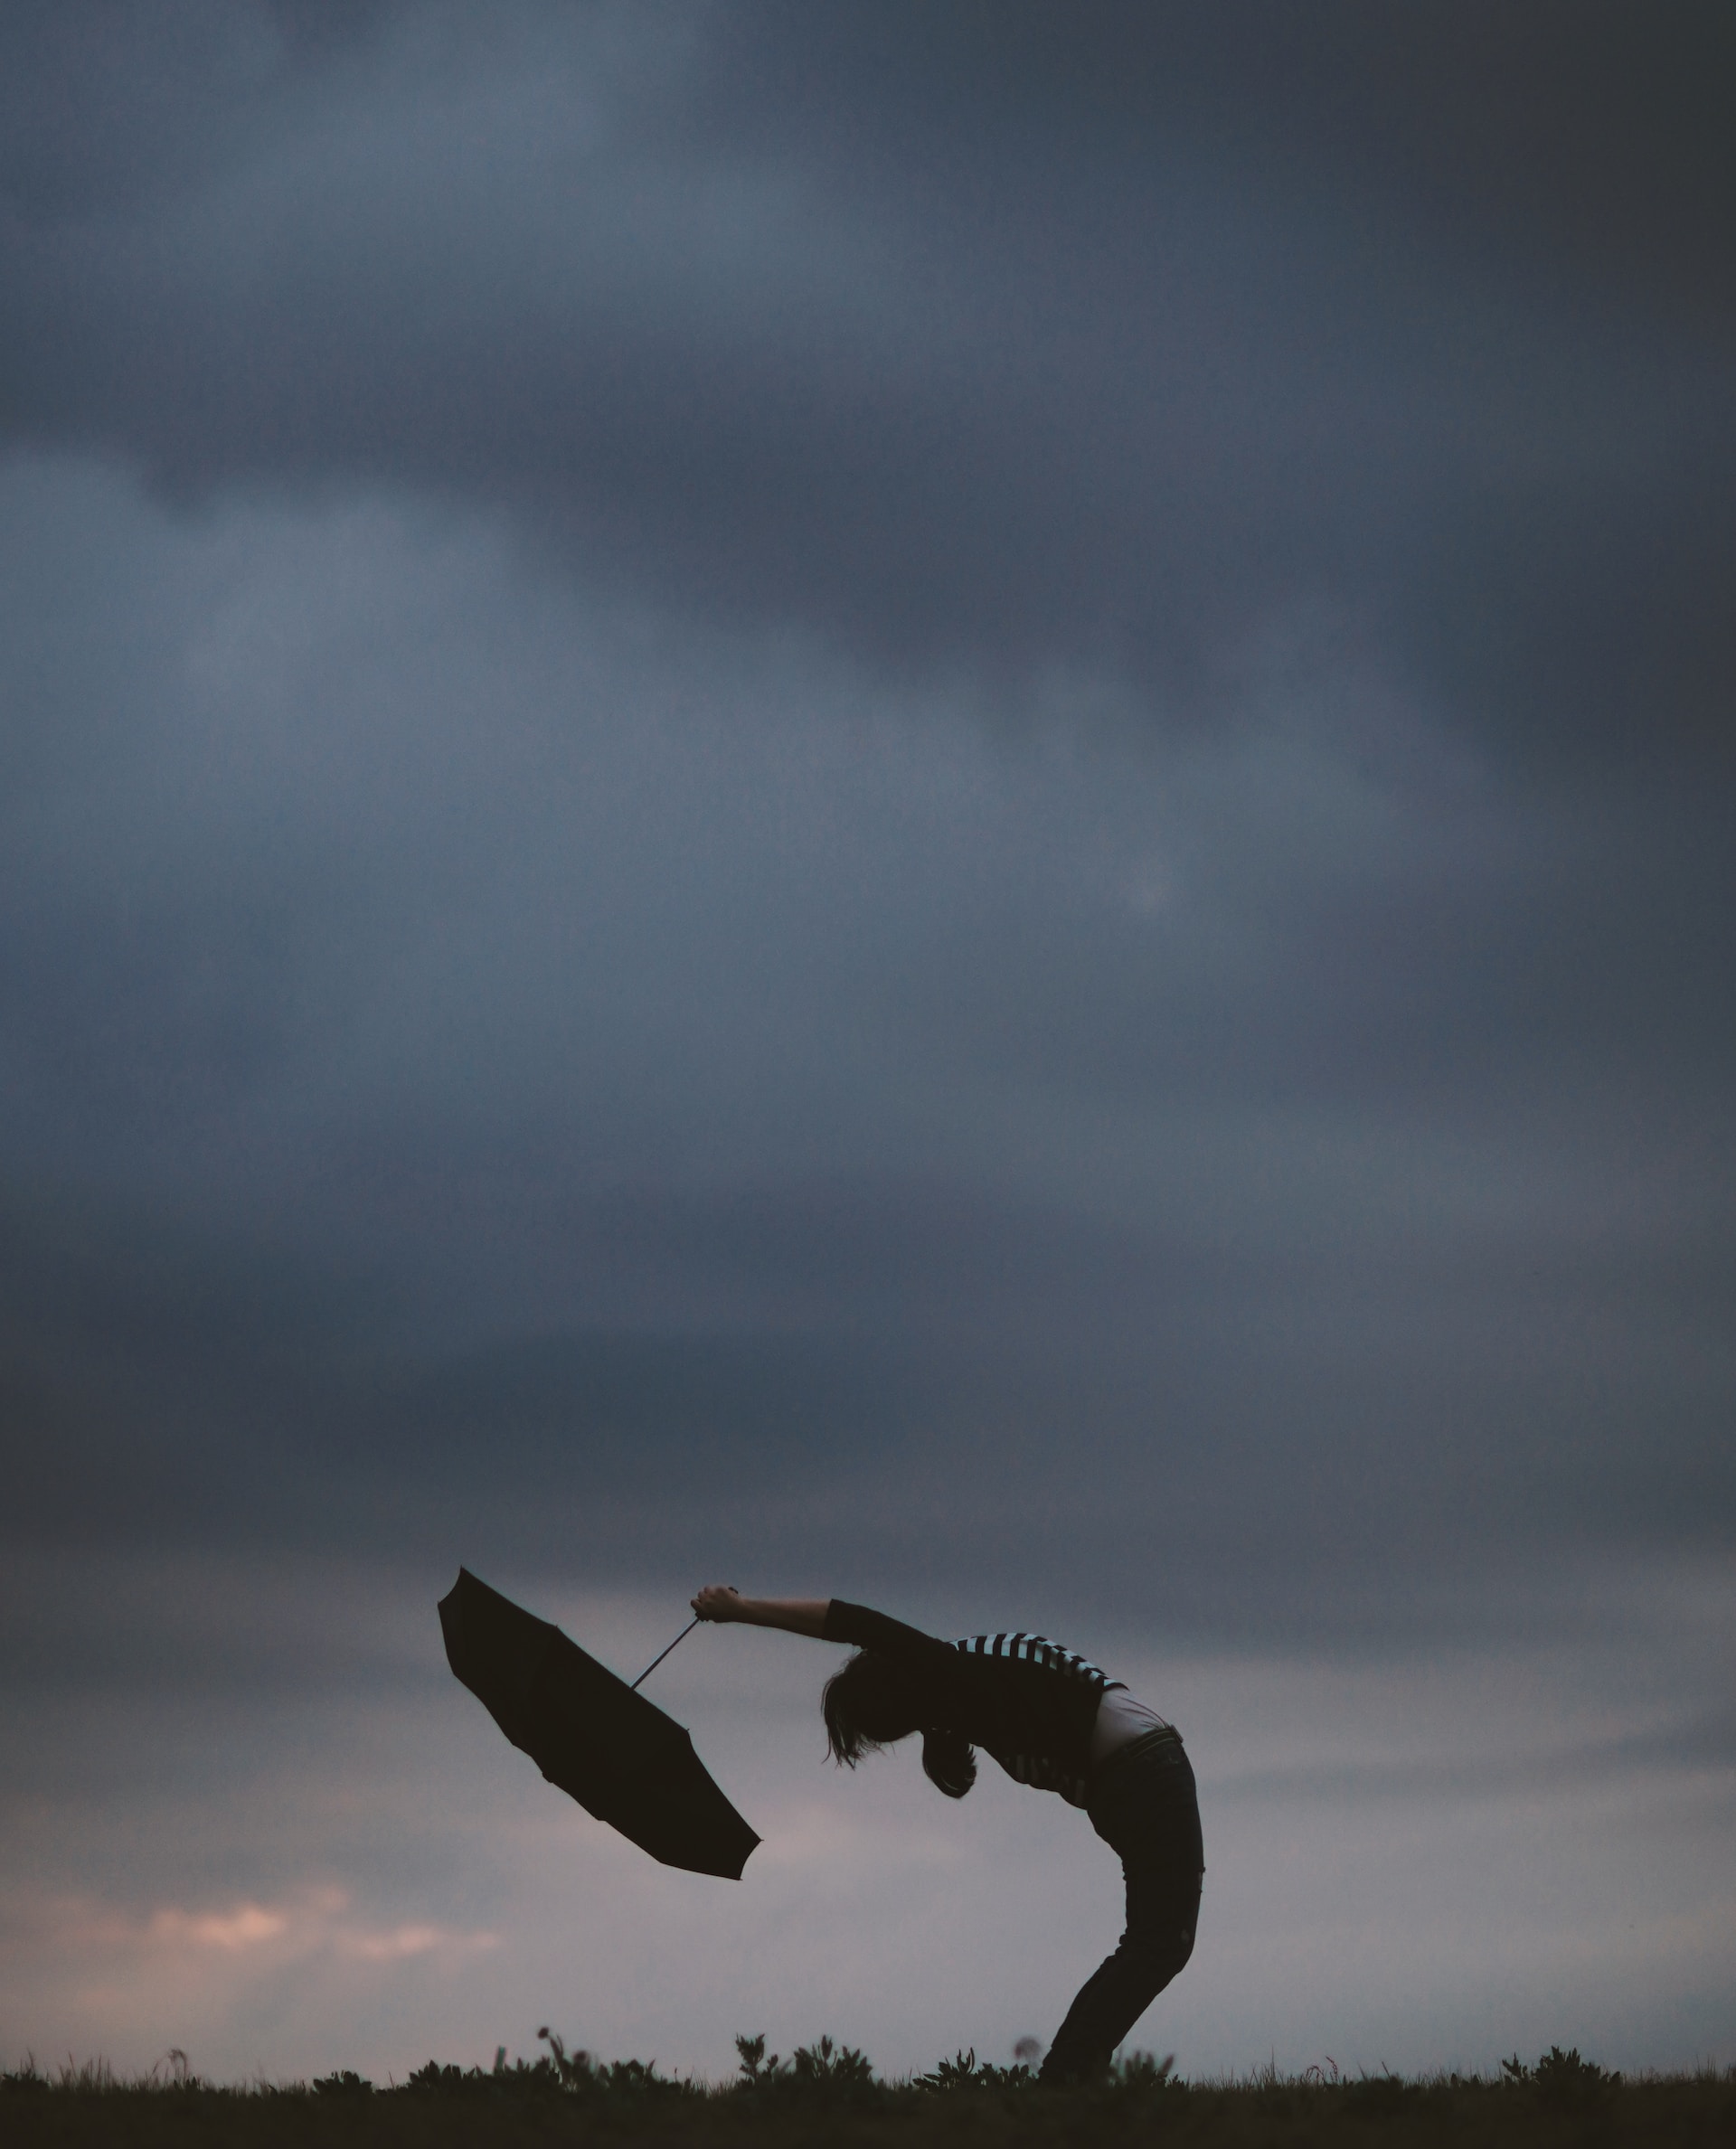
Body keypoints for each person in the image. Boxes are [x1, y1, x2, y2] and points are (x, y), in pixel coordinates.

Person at [691, 1585, 1203, 2084]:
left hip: (1140, 1774)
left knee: (1152, 1944)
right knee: (1156, 1944)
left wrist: (741, 1609)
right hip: (1139, 1774)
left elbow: (844, 1619)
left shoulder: (943, 1671)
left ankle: (1063, 2080)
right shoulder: (954, 1692)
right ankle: (1064, 2082)